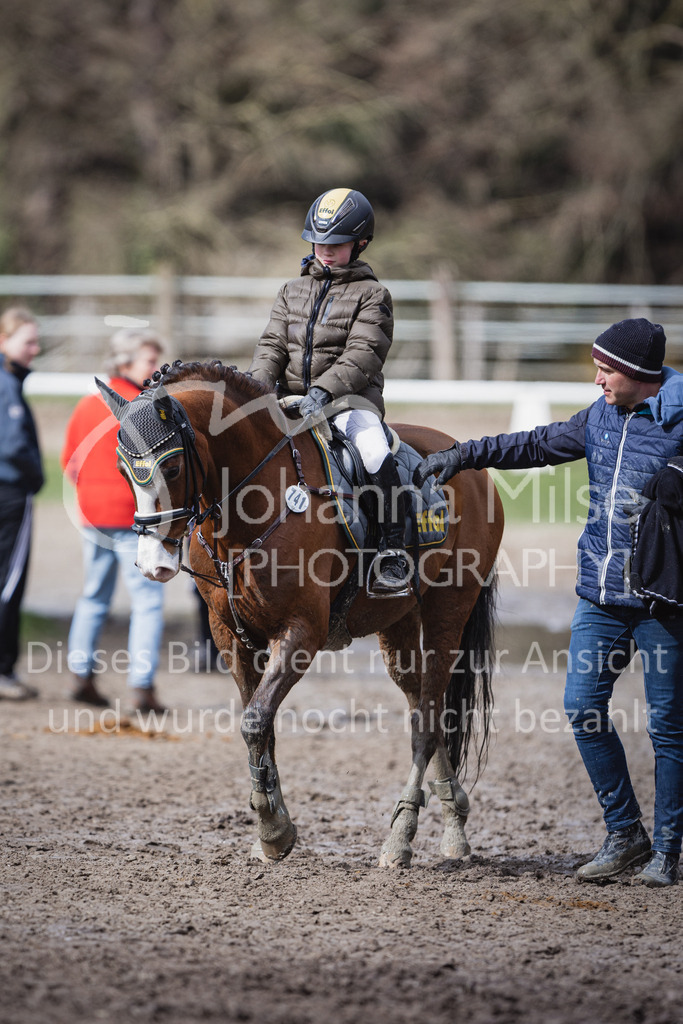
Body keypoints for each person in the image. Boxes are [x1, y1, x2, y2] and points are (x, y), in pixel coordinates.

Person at [414, 318, 683, 888]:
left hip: (665, 601)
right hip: (600, 597)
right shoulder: (600, 417)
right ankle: (625, 833)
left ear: (637, 373)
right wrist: (462, 455)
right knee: (582, 707)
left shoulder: (679, 421)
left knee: (668, 727)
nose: (597, 379)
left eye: (605, 370)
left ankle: (667, 850)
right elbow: (535, 443)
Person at [248, 187, 410, 595]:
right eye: (319, 241)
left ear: (360, 243)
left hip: (349, 402)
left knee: (373, 450)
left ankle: (392, 549)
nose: (325, 250)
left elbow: (363, 354)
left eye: (336, 243)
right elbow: (272, 346)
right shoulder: (291, 290)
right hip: (290, 399)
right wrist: (257, 389)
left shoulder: (373, 295)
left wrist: (322, 392)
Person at [61, 328, 167, 712]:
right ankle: (141, 685)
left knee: (94, 595)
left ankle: (81, 675)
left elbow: (70, 461)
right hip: (131, 516)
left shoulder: (88, 404)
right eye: (150, 361)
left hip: (92, 516)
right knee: (148, 600)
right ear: (125, 363)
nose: (157, 369)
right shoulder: (144, 407)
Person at [0, 308, 44, 700]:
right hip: (10, 493)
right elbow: (13, 445)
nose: (36, 348)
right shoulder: (7, 385)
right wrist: (36, 477)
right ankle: (3, 669)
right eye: (28, 341)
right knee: (8, 581)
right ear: (4, 340)